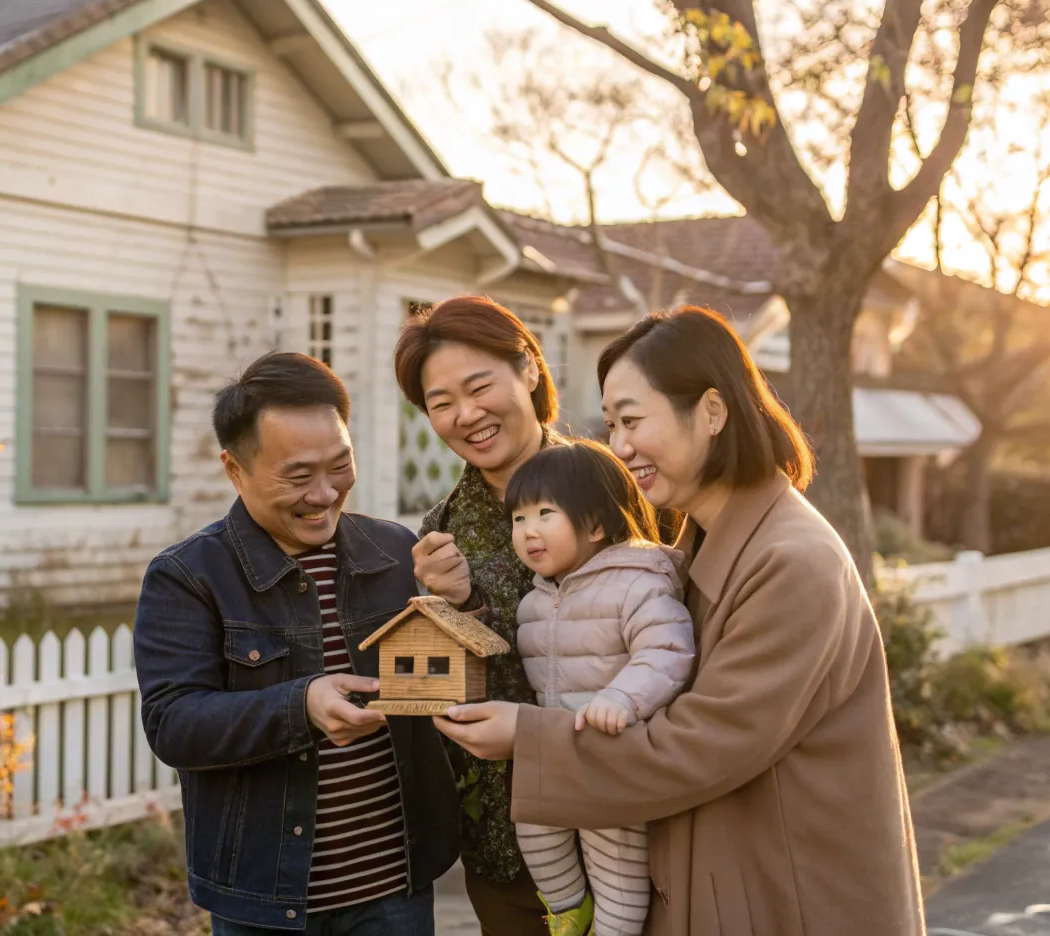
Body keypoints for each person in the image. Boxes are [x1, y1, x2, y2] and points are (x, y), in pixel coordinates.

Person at [435, 307, 928, 936]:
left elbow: (701, 745)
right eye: (611, 424)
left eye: (634, 421)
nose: (620, 447)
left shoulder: (791, 561)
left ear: (713, 412)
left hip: (789, 895)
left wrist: (528, 739)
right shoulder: (700, 539)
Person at [134, 352, 459, 934]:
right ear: (235, 470)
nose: (325, 493)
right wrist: (301, 705)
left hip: (397, 887)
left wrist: (460, 607)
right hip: (266, 899)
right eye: (298, 475)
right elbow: (173, 724)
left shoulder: (393, 553)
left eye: (341, 465)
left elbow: (441, 684)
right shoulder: (189, 577)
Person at [391, 294, 564, 935]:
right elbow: (453, 695)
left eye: (479, 385)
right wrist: (458, 609)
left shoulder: (614, 487)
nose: (467, 414)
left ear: (528, 370)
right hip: (505, 842)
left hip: (631, 820)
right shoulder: (440, 534)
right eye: (441, 403)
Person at [506, 440, 695, 936]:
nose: (528, 531)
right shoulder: (533, 602)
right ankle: (569, 912)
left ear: (594, 524)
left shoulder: (636, 582)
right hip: (559, 755)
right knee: (532, 825)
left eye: (545, 513)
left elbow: (666, 651)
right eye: (519, 519)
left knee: (616, 870)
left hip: (613, 760)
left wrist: (621, 698)